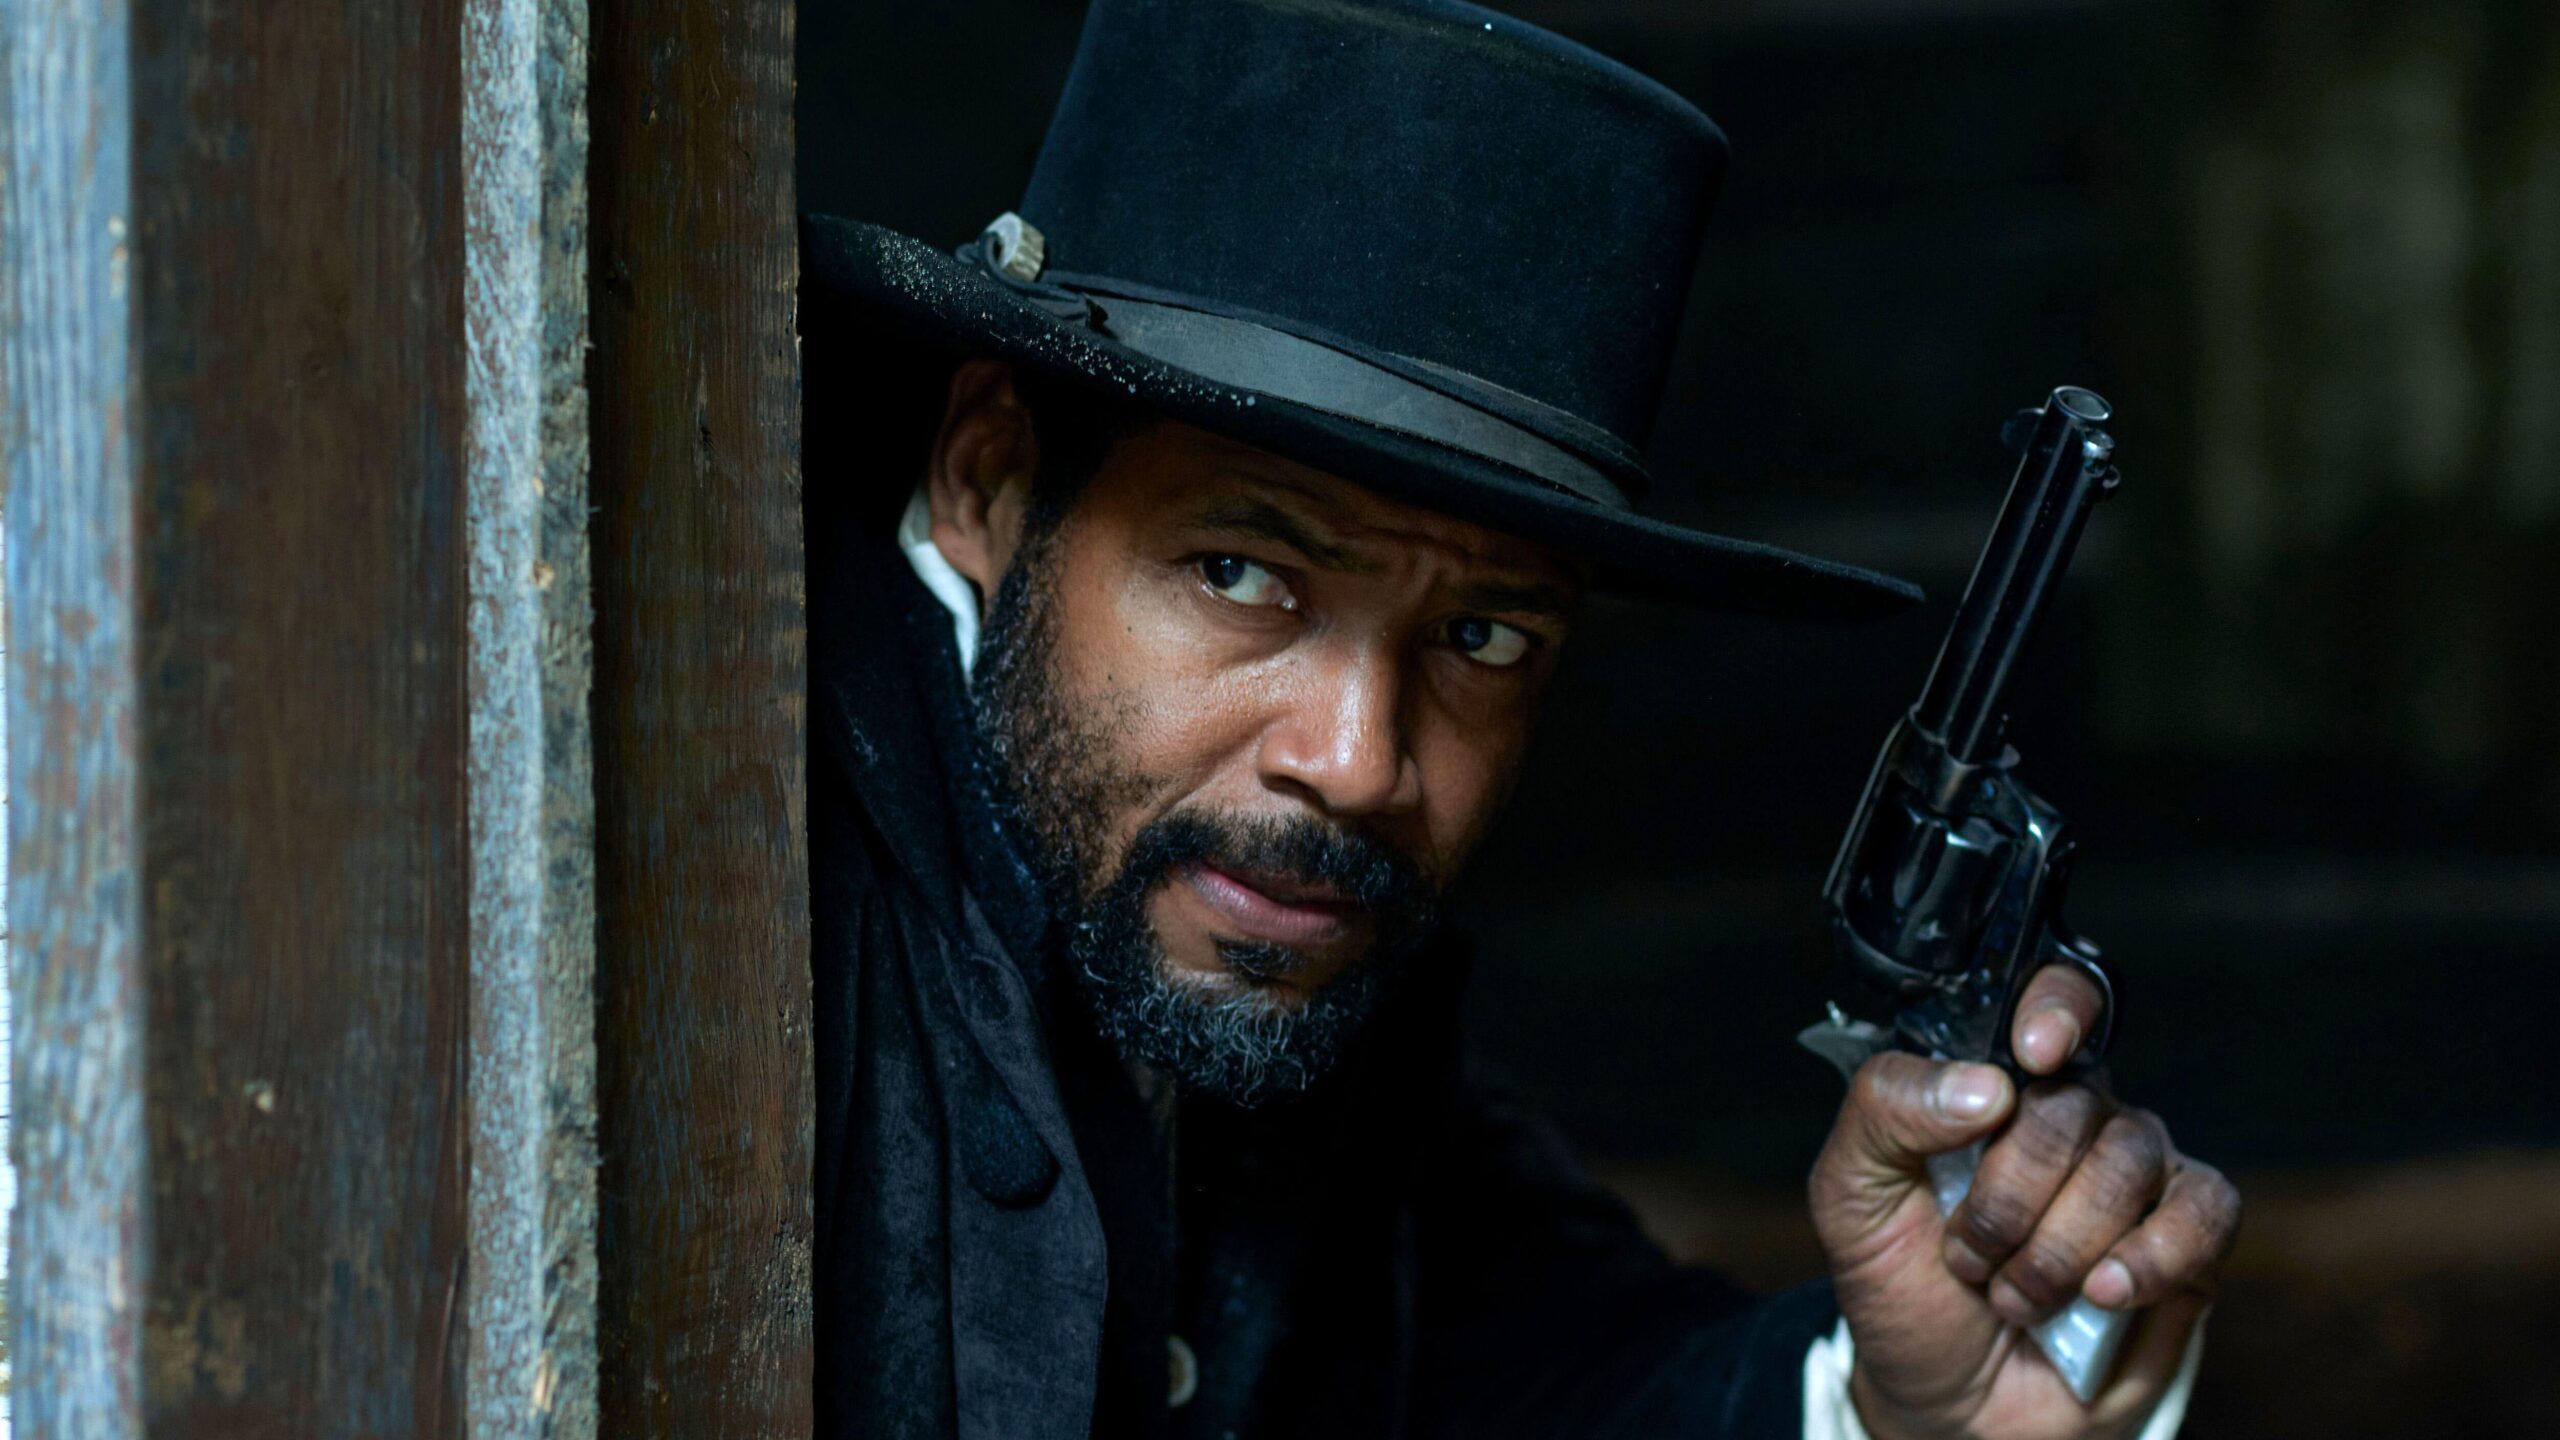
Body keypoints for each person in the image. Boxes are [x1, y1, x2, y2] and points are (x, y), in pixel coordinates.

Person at [799, 1, 2238, 1435]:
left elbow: (1552, 1372)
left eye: (1481, 635)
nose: (1358, 762)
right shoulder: (748, 918)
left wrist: (1898, 1405)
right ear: (989, 476)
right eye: (1242, 574)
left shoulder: (1297, 974)